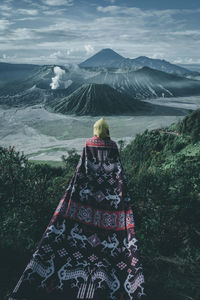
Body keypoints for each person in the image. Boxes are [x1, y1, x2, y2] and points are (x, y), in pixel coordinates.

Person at [9, 117, 147, 300]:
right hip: (109, 196)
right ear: (107, 130)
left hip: (87, 194)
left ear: (95, 129)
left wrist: (76, 193)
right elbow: (117, 171)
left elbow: (81, 170)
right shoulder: (113, 146)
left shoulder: (88, 144)